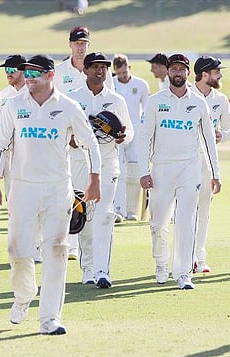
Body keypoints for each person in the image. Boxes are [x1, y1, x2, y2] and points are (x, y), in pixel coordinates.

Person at [0, 54, 101, 335]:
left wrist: (94, 180)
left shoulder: (68, 106)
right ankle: (24, 296)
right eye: (26, 74)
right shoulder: (14, 105)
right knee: (18, 251)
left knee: (57, 251)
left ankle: (50, 317)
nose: (28, 78)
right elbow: (1, 144)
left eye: (35, 74)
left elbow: (90, 143)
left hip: (56, 189)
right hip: (22, 188)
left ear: (51, 76)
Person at [137, 53, 221, 289]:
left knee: (186, 220)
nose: (177, 73)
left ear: (187, 73)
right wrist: (144, 170)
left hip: (189, 167)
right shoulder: (156, 101)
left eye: (181, 69)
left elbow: (208, 141)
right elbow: (144, 138)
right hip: (162, 168)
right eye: (173, 69)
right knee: (158, 223)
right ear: (168, 72)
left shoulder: (198, 102)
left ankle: (183, 273)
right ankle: (161, 263)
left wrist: (216, 174)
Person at [68, 52, 133, 288]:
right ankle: (87, 269)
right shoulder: (73, 99)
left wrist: (122, 137)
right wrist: (71, 140)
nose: (100, 71)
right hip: (80, 164)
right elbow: (63, 132)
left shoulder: (116, 100)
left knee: (105, 214)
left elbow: (129, 134)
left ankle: (102, 271)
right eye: (95, 67)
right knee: (85, 217)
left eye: (104, 68)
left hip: (107, 164)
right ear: (85, 70)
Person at [53, 26, 113, 261]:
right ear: (70, 45)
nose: (80, 47)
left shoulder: (98, 70)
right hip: (68, 146)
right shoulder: (59, 72)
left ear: (89, 44)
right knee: (71, 195)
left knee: (94, 201)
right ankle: (71, 243)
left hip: (98, 146)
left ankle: (88, 254)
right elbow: (54, 107)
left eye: (84, 43)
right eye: (77, 43)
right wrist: (66, 136)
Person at [191, 56, 230, 273]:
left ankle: (200, 256)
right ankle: (185, 258)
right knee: (185, 211)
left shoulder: (221, 99)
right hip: (185, 160)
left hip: (208, 161)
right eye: (217, 72)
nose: (220, 75)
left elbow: (229, 129)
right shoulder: (186, 94)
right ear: (204, 74)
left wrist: (221, 136)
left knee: (204, 211)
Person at [112, 54, 150, 222]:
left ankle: (132, 211)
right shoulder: (111, 84)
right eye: (118, 73)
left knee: (134, 171)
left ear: (129, 68)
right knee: (118, 170)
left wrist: (145, 132)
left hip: (136, 132)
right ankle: (118, 208)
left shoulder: (141, 85)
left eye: (124, 72)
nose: (122, 76)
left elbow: (147, 110)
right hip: (117, 133)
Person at [0, 54, 27, 199]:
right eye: (6, 69)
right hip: (9, 156)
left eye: (12, 69)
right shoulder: (0, 97)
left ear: (23, 70)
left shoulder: (33, 92)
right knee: (13, 200)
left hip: (30, 153)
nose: (8, 73)